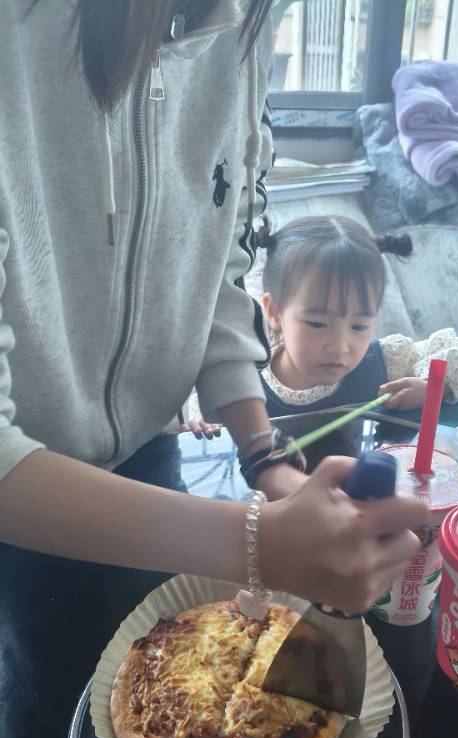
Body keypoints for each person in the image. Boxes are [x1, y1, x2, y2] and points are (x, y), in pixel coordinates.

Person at [0, 1, 429, 614]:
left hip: (156, 451)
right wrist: (257, 544)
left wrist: (264, 457)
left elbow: (219, 270)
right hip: (26, 493)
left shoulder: (242, 28)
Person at [256, 215, 458, 417]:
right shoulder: (245, 386)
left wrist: (432, 389)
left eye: (358, 326)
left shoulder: (384, 362)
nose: (340, 347)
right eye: (318, 324)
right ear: (274, 312)